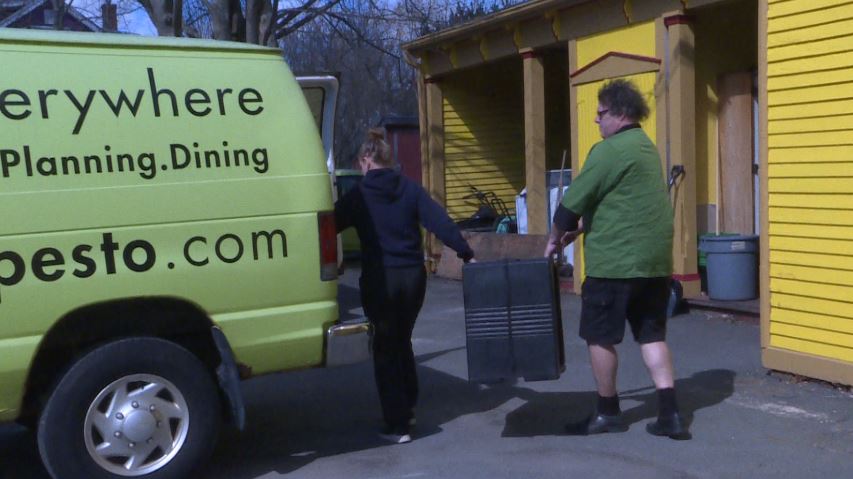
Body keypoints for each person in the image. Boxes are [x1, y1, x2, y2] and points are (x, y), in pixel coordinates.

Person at [544, 79, 690, 440]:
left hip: (615, 265)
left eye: (601, 113)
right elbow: (624, 205)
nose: (596, 120)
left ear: (621, 114)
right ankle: (670, 414)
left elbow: (572, 203)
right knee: (651, 334)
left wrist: (553, 239)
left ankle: (608, 412)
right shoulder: (645, 147)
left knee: (599, 336)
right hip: (654, 264)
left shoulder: (608, 150)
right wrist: (581, 230)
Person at [336, 128, 474, 444]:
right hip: (413, 278)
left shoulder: (358, 196)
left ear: (365, 161)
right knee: (402, 340)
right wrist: (466, 252)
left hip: (380, 279)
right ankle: (408, 407)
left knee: (385, 347)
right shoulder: (410, 189)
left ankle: (397, 425)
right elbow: (440, 221)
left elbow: (327, 225)